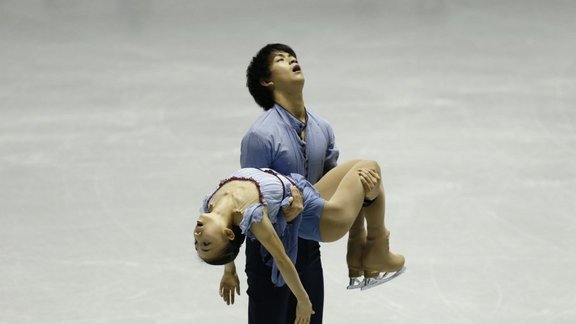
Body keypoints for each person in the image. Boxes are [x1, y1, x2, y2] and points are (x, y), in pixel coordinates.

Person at [195, 160, 406, 324]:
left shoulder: (211, 204)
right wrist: (303, 301)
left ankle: (360, 251)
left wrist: (229, 271)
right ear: (228, 234)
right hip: (324, 220)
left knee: (362, 165)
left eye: (197, 244)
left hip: (309, 194)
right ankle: (377, 246)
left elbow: (228, 247)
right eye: (206, 244)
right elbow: (282, 259)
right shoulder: (253, 215)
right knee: (370, 169)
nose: (197, 237)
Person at [218, 43, 339, 324]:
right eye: (282, 60)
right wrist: (228, 266)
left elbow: (330, 186)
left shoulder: (323, 128)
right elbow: (241, 199)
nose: (292, 60)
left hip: (308, 250)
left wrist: (363, 195)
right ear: (267, 81)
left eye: (293, 56)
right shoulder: (260, 136)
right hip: (267, 256)